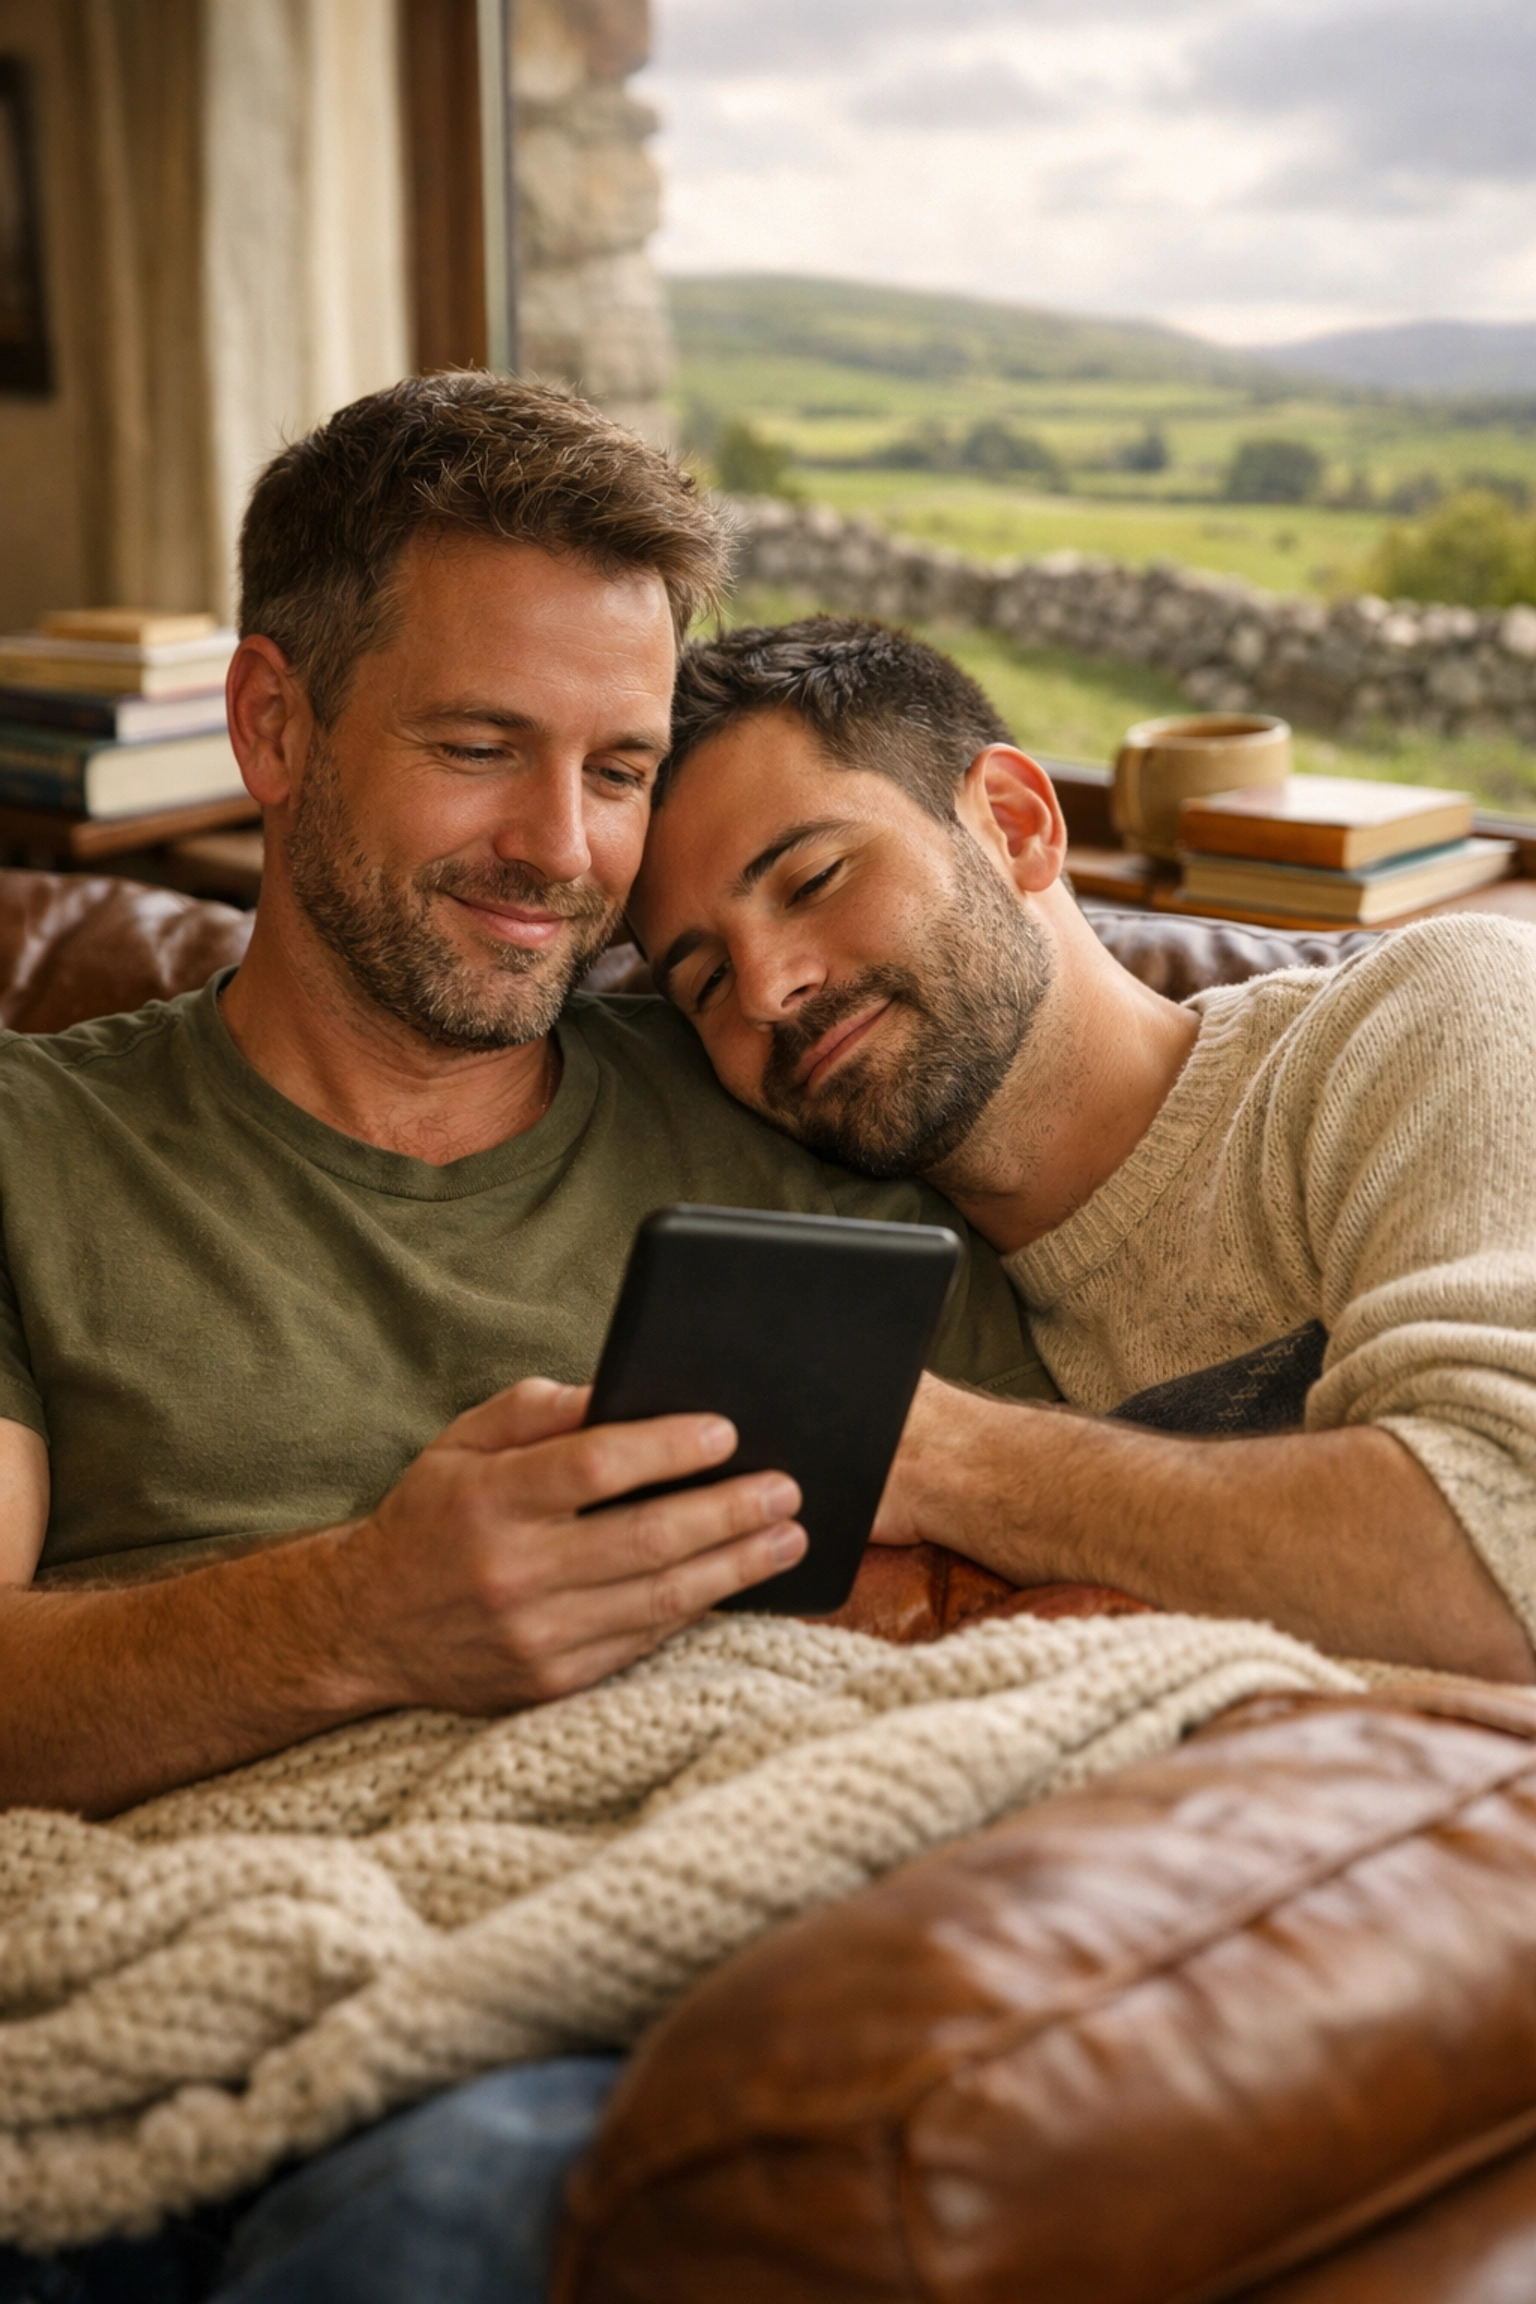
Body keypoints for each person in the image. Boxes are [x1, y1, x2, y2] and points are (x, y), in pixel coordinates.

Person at [0, 387, 1043, 2303]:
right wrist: (355, 1615)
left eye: (621, 767)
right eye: (480, 747)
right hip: (153, 1971)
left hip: (606, 1981)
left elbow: (1034, 1615)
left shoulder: (773, 1099)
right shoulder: (27, 1145)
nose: (560, 849)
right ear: (273, 726)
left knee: (466, 2196)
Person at [630, 613, 1536, 1689]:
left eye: (815, 878)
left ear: (1015, 824)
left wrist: (936, 1454)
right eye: (704, 983)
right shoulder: (898, 1282)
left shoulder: (1434, 1012)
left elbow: (1504, 1560)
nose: (770, 988)